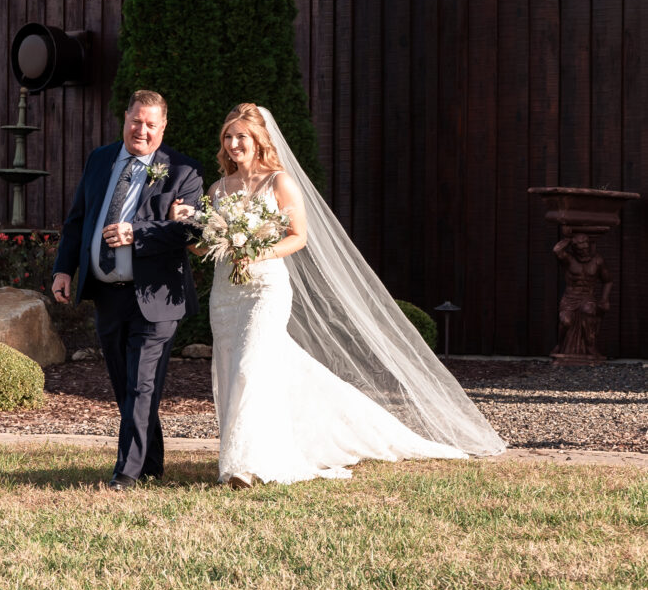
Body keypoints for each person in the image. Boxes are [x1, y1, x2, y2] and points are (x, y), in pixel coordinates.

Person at [170, 103, 505, 487]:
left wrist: (255, 251)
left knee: (250, 367)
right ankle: (243, 454)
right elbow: (207, 248)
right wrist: (186, 226)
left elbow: (298, 237)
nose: (232, 144)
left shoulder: (278, 182)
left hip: (266, 289)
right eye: (227, 137)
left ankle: (249, 465)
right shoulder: (218, 190)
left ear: (259, 140)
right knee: (233, 371)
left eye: (240, 136)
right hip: (227, 294)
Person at [52, 90, 203, 491]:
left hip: (157, 297)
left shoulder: (183, 171)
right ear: (125, 118)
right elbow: (77, 220)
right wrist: (64, 269)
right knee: (125, 386)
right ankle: (151, 462)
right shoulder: (100, 159)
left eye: (152, 124)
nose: (143, 130)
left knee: (142, 385)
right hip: (107, 294)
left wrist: (136, 232)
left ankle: (127, 472)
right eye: (137, 121)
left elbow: (188, 229)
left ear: (163, 126)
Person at [552, 228, 612, 359]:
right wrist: (568, 238)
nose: (583, 252)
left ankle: (591, 346)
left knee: (589, 310)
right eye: (579, 249)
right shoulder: (569, 259)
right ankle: (560, 345)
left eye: (585, 248)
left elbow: (608, 281)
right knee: (566, 321)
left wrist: (604, 299)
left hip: (587, 297)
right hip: (570, 298)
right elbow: (557, 250)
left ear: (589, 246)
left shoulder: (597, 261)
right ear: (574, 249)